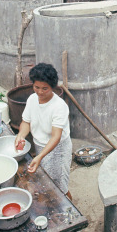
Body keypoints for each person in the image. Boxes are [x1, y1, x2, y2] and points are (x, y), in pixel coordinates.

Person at [14, 63, 72, 200]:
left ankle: (70, 210)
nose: (40, 92)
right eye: (36, 87)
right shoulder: (32, 99)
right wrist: (20, 135)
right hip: (41, 146)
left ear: (52, 87)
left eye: (45, 88)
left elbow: (56, 136)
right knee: (46, 183)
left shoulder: (59, 106)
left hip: (58, 149)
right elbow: (26, 122)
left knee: (60, 187)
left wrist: (39, 157)